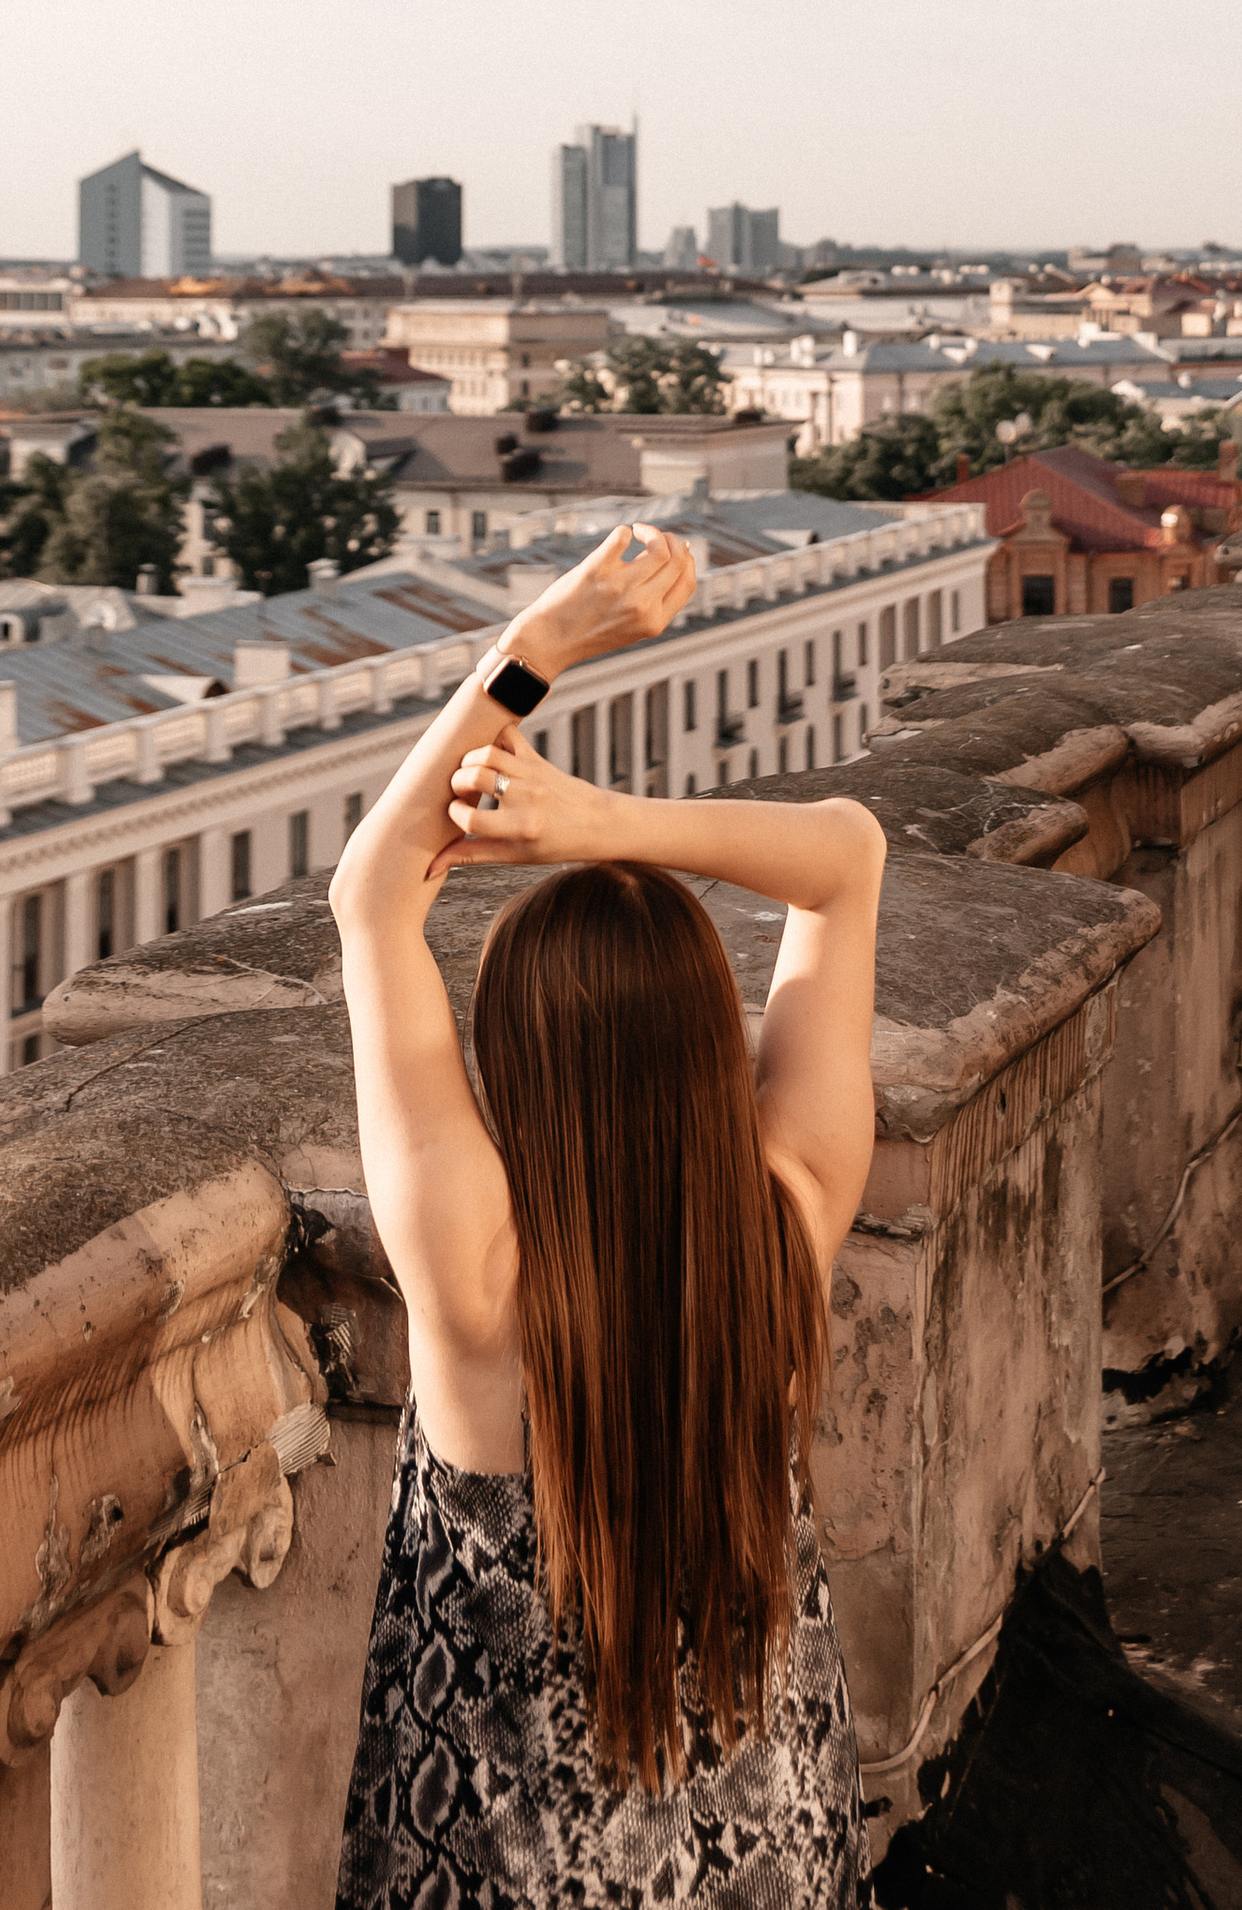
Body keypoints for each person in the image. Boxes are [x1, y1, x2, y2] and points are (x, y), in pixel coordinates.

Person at [330, 520, 884, 1909]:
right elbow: (848, 855)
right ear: (714, 1042)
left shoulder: (479, 1285)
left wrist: (542, 647)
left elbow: (368, 897)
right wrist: (606, 828)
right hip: (767, 1857)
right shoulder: (789, 1219)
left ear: (511, 1063)